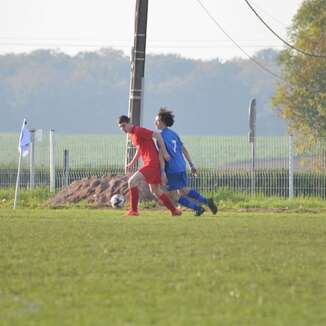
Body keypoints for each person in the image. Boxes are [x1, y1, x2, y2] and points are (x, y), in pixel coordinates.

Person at [155, 107, 218, 216]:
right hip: (181, 166)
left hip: (172, 169)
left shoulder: (160, 136)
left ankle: (197, 208)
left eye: (156, 120)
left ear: (162, 122)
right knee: (183, 190)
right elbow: (183, 149)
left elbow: (161, 155)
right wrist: (191, 164)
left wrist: (162, 172)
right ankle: (206, 202)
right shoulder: (174, 134)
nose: (155, 122)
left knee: (174, 195)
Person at [117, 115, 182, 216]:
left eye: (124, 126)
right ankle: (174, 211)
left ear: (129, 123)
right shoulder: (132, 135)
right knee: (156, 191)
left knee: (132, 182)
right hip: (151, 163)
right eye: (120, 127)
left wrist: (164, 152)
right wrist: (131, 163)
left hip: (152, 163)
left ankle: (133, 210)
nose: (123, 129)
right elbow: (140, 149)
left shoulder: (138, 130)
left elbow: (157, 135)